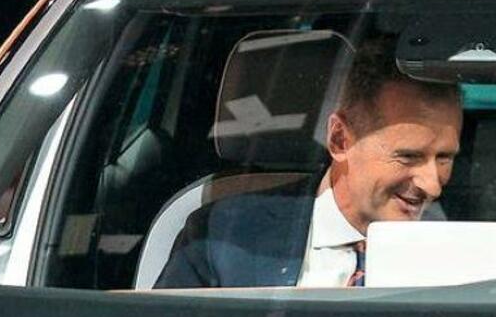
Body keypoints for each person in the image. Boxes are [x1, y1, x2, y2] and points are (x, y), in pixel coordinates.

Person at [156, 38, 462, 288]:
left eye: (444, 158)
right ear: (340, 141)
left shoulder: (464, 249)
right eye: (408, 156)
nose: (432, 186)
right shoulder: (223, 236)